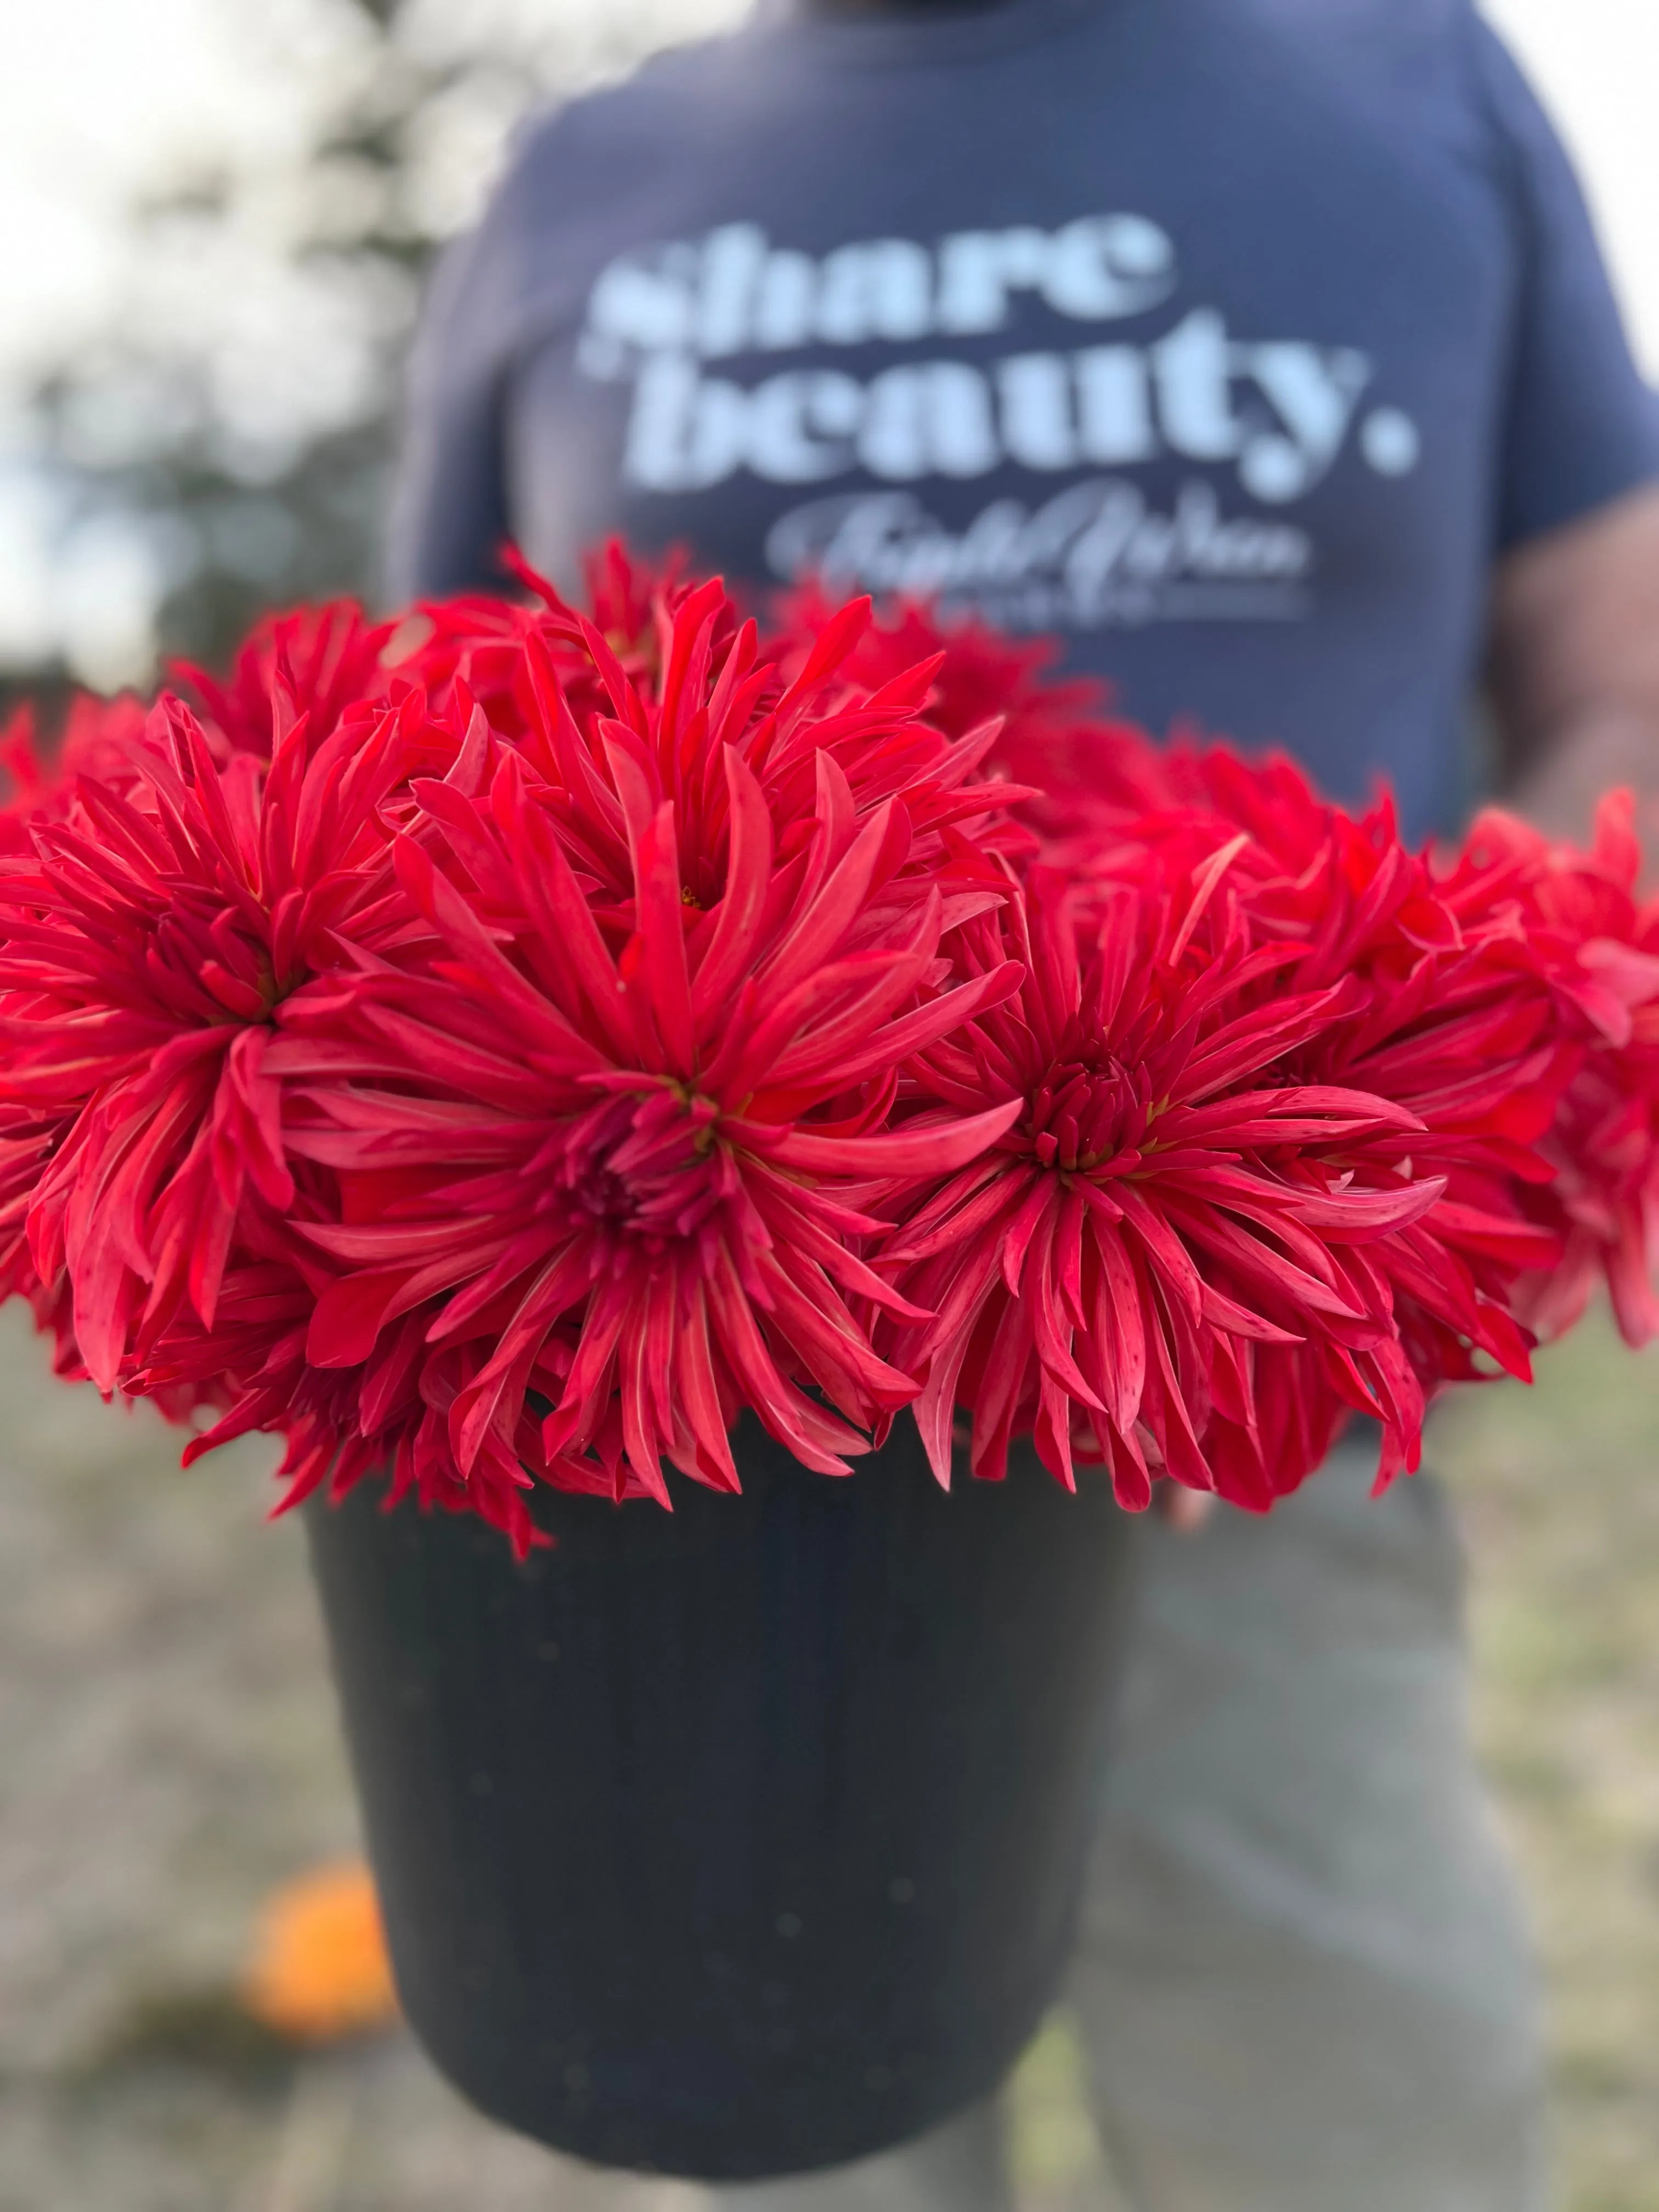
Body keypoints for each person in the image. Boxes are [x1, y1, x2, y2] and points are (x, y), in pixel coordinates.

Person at [388, 3, 1659, 2205]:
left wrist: (1429, 1107)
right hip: (705, 1474)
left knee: (1359, 2128)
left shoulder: (1413, 79)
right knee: (786, 2152)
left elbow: (1623, 672)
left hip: (1262, 1436)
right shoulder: (581, 174)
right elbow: (435, 767)